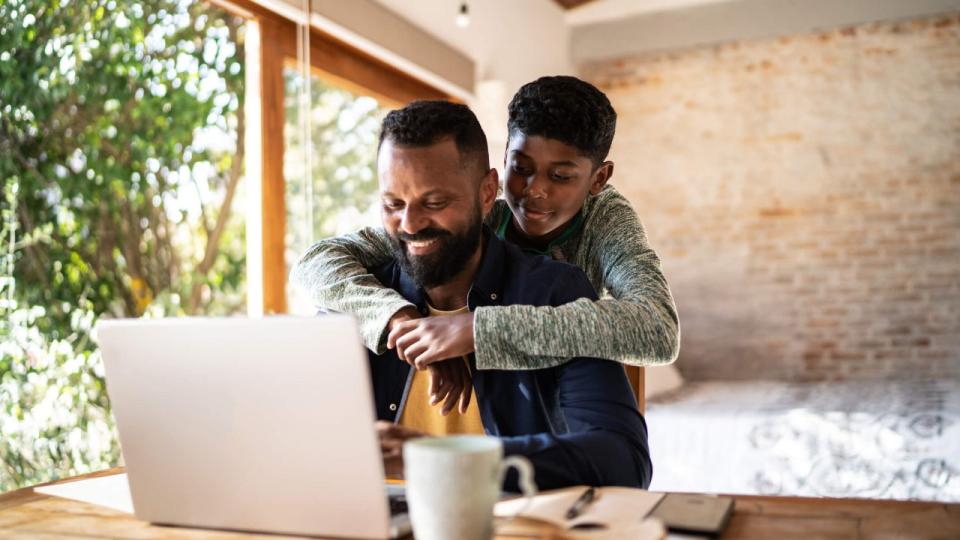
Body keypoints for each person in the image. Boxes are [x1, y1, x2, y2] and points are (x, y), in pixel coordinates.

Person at [292, 75, 679, 414]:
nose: (534, 191)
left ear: (599, 178)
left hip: (561, 398)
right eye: (521, 168)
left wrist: (478, 330)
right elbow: (317, 262)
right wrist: (403, 319)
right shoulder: (479, 214)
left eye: (560, 176)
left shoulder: (607, 220)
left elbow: (658, 330)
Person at [365, 100, 650, 490]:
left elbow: (623, 462)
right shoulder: (359, 302)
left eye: (435, 203)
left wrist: (451, 462)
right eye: (392, 204)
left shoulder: (554, 292)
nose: (410, 224)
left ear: (486, 194)